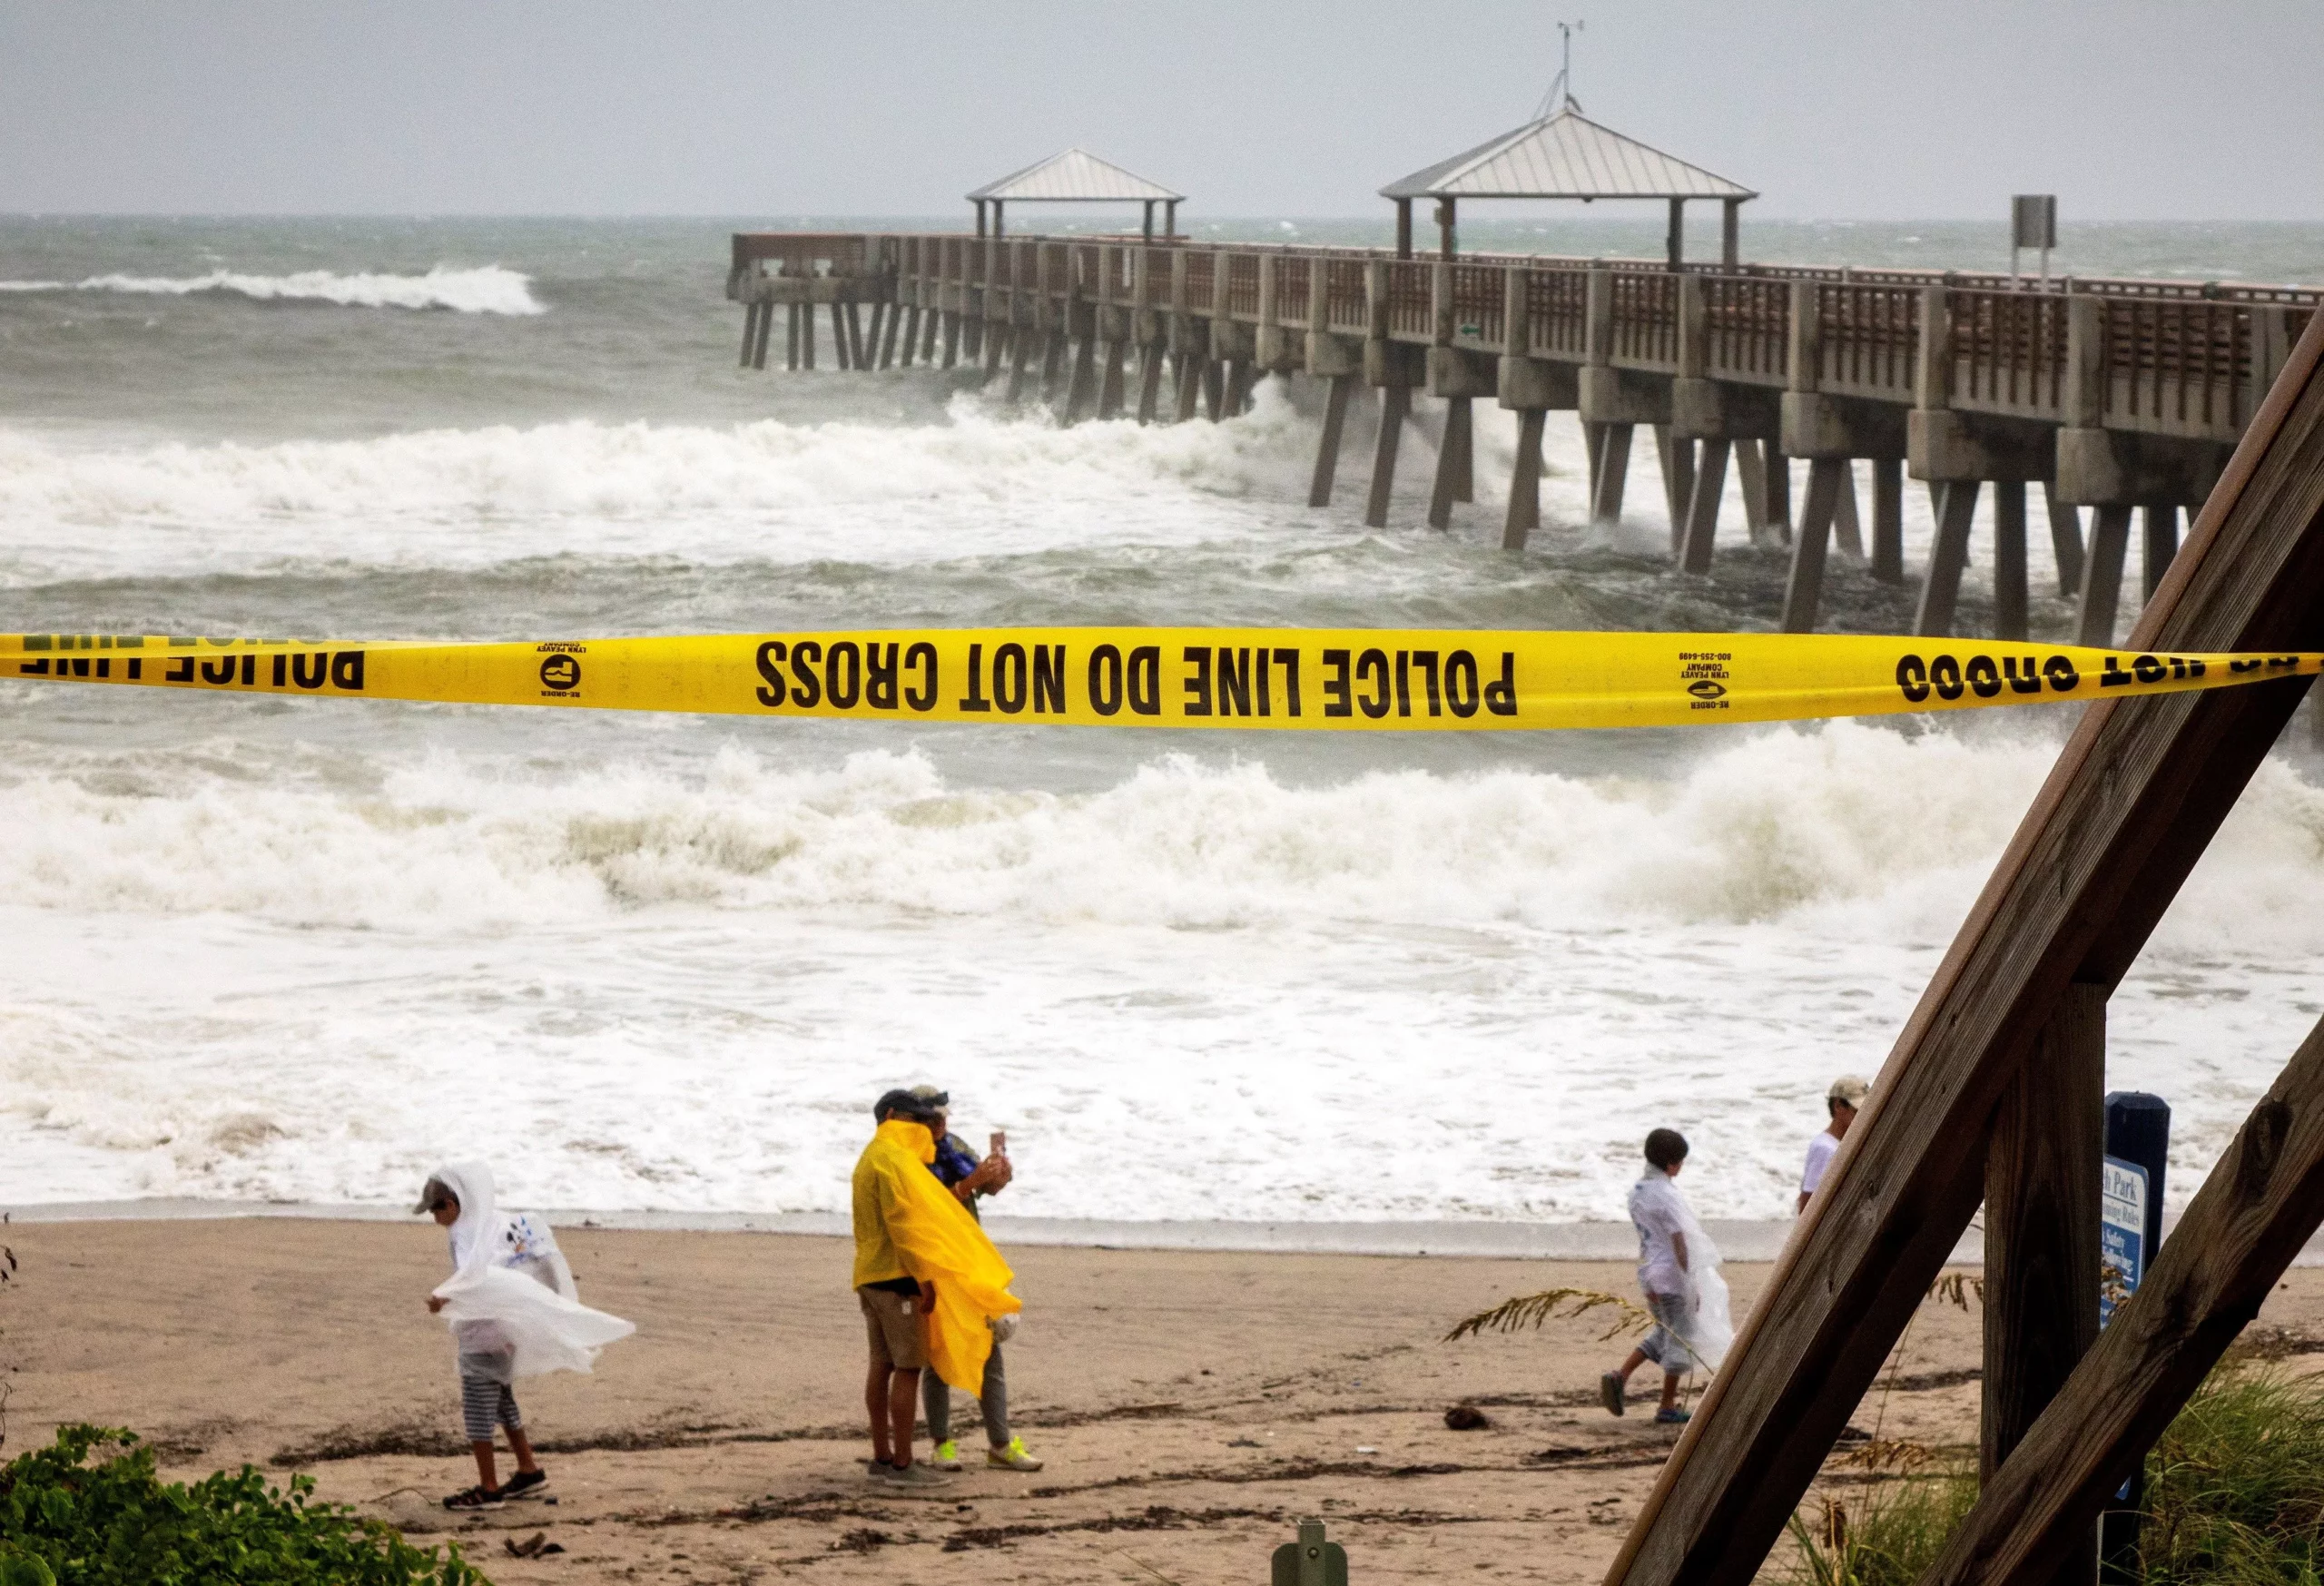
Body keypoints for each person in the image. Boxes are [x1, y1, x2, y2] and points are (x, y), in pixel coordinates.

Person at [418, 1163, 635, 1511]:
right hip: (504, 1332)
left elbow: (485, 1280)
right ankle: (528, 1469)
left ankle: (489, 1489)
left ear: (453, 1204)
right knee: (502, 1400)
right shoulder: (496, 1224)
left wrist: (443, 1298)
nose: (434, 1218)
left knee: (477, 1410)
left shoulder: (471, 1233)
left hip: (484, 1334)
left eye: (435, 1209)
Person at [853, 1088, 1024, 1491]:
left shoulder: (872, 1155)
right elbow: (906, 1226)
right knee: (910, 1368)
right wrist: (925, 1278)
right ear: (893, 1115)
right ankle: (901, 1464)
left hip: (871, 1274)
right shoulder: (894, 1158)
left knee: (883, 1366)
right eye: (916, 1120)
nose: (926, 1129)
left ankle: (884, 1457)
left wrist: (992, 1176)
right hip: (900, 1278)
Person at [904, 1085, 1042, 1473]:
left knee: (988, 1347)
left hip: (970, 1258)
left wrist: (998, 1174)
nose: (939, 1125)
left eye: (943, 1117)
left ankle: (999, 1443)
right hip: (933, 1261)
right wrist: (971, 1182)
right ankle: (942, 1445)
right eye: (931, 1118)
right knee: (937, 1355)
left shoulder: (954, 1145)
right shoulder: (907, 1156)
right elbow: (924, 1208)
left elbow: (985, 1189)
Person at [1600, 1128, 1732, 1425]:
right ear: (1673, 1164)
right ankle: (1667, 1405)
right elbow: (1679, 1240)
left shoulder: (1638, 1191)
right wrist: (1691, 1281)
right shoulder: (1667, 1195)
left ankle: (1620, 1376)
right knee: (1681, 1337)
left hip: (1649, 1272)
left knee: (1665, 1331)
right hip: (1671, 1276)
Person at [1797, 1075, 1869, 1214]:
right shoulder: (1825, 1148)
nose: (1864, 1116)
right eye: (1857, 1111)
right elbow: (1807, 1201)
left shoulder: (1840, 1144)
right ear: (1838, 1106)